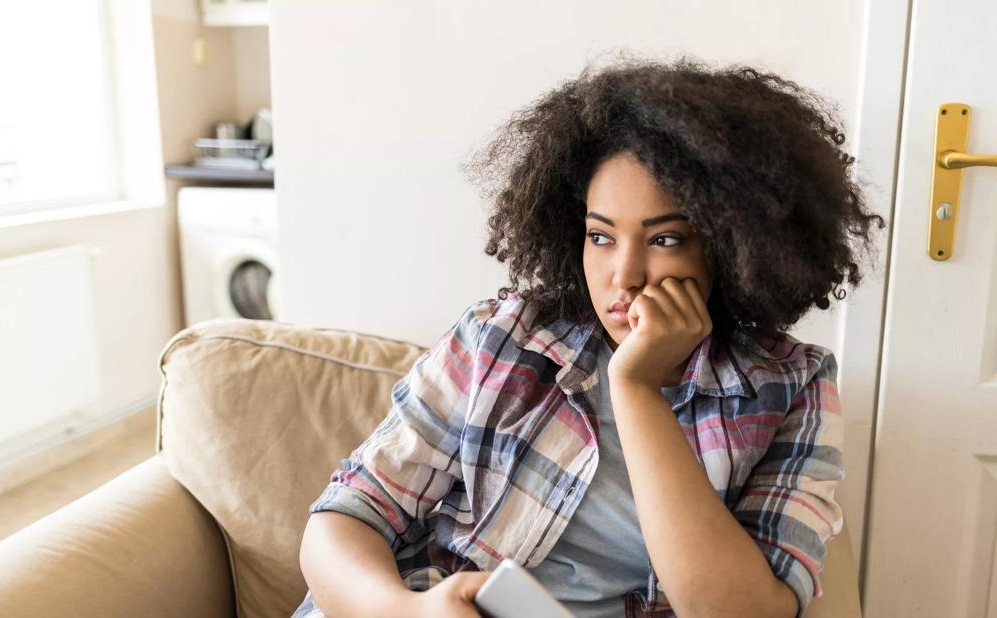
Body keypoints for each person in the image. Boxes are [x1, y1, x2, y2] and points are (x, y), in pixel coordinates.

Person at [291, 54, 884, 618]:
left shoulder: (792, 388)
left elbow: (740, 612)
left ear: (732, 247)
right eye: (601, 236)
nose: (623, 275)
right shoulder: (502, 338)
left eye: (665, 239)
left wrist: (636, 387)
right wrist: (403, 610)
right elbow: (345, 518)